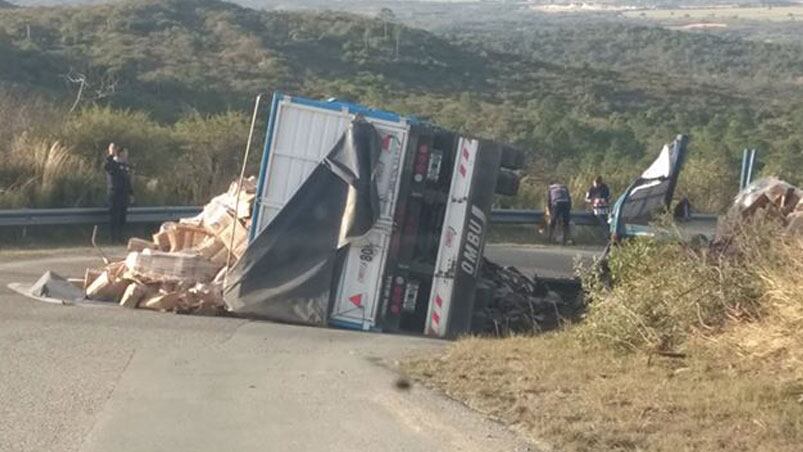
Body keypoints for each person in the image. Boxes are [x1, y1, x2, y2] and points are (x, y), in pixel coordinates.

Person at [104, 143, 133, 243]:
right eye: (125, 153)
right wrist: (111, 154)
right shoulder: (112, 164)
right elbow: (106, 166)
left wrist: (131, 193)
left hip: (124, 194)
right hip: (114, 193)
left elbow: (127, 181)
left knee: (122, 217)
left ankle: (121, 237)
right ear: (119, 154)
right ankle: (112, 238)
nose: (126, 156)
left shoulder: (126, 166)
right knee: (114, 216)